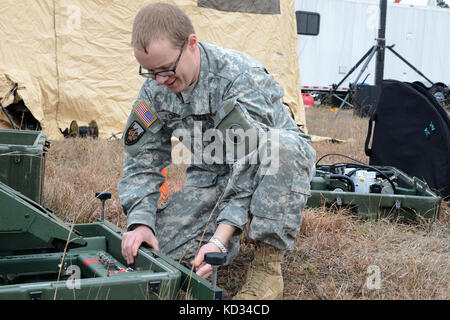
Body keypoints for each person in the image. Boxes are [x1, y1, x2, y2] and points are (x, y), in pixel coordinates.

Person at [118, 2, 316, 300]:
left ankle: (266, 268)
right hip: (212, 177)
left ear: (191, 44)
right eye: (150, 72)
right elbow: (142, 160)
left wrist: (221, 239)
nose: (160, 80)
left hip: (268, 170)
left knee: (282, 148)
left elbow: (249, 162)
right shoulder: (155, 88)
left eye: (167, 70)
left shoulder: (239, 78)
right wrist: (141, 221)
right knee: (159, 255)